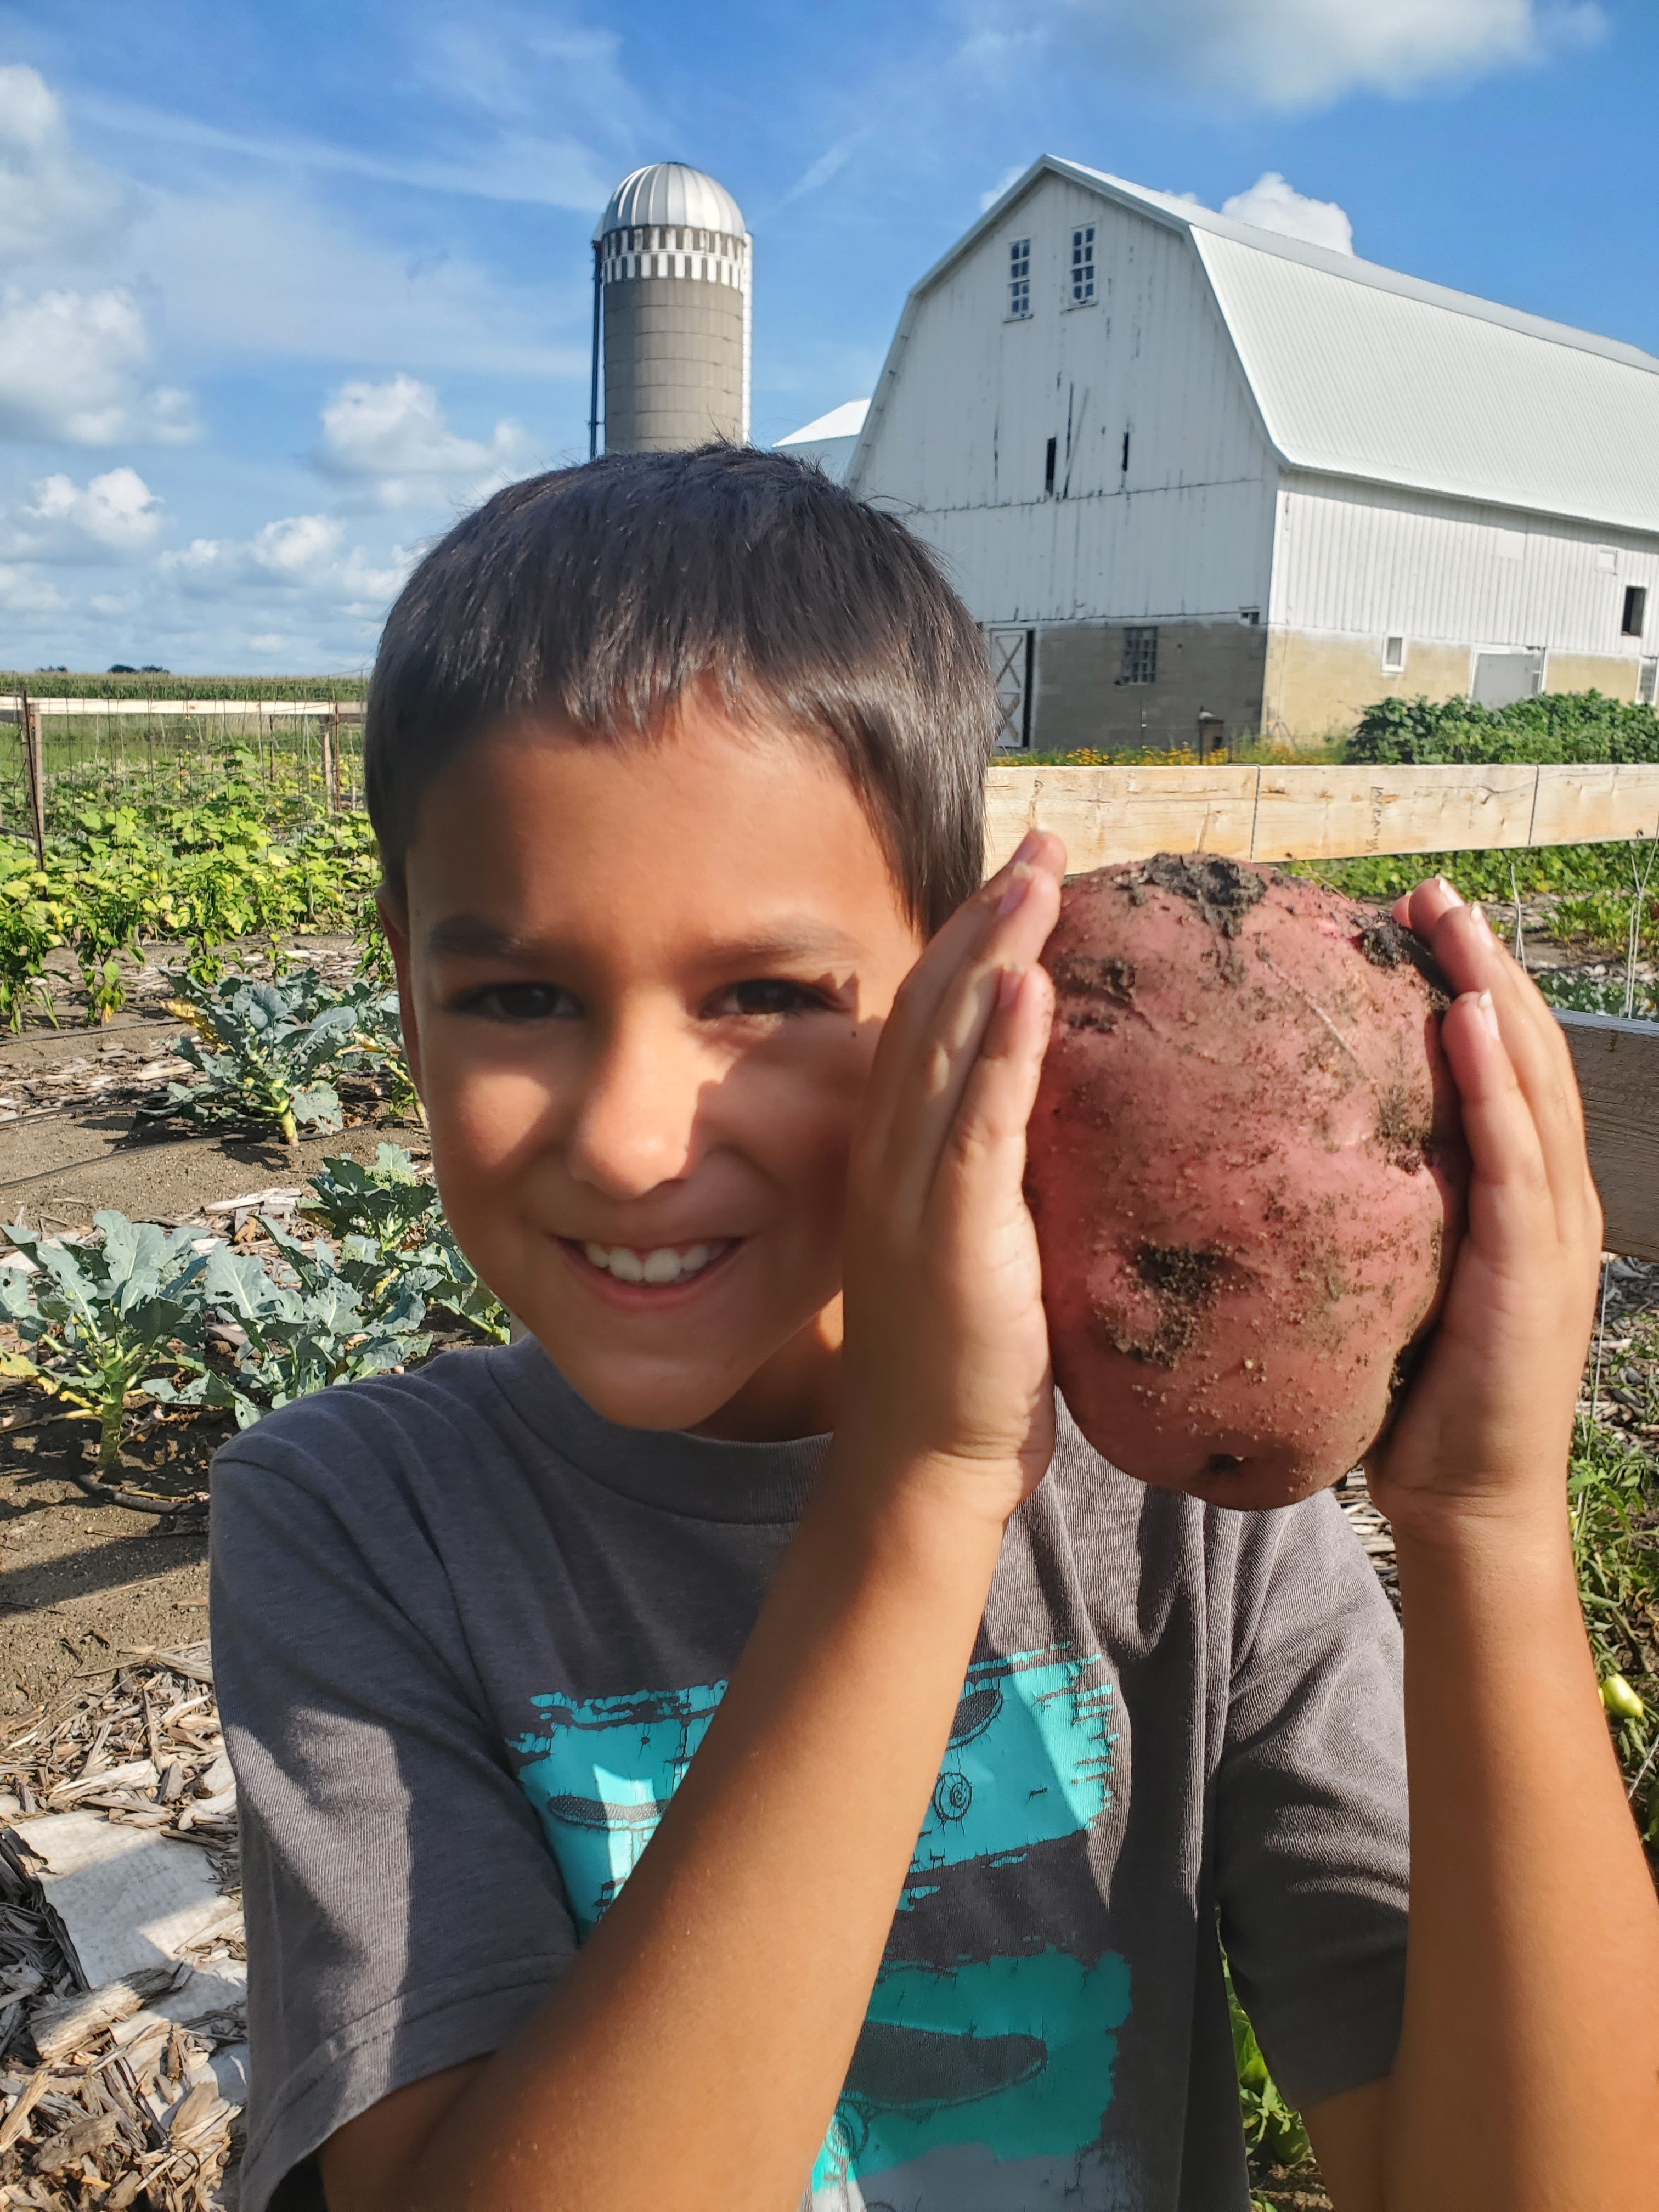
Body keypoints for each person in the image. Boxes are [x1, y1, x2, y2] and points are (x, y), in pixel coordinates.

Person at [211, 447, 1659, 2212]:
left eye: (767, 995)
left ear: (965, 990)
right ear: (404, 978)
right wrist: (918, 1492)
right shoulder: (361, 1523)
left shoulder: (1187, 1534)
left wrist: (1492, 1530)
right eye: (520, 995)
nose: (632, 1140)